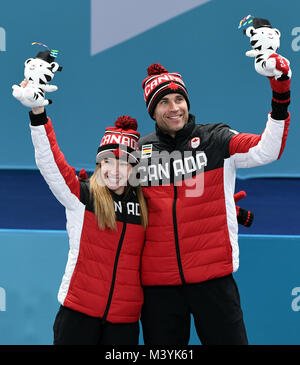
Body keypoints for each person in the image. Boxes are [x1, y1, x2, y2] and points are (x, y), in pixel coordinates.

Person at [137, 35, 291, 344]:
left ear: (187, 102)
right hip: (159, 288)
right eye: (164, 102)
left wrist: (280, 92)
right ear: (152, 112)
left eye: (178, 99)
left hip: (213, 280)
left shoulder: (215, 139)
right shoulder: (140, 152)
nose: (174, 107)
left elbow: (267, 149)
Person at [13, 73, 147, 344]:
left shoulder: (145, 207)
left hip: (124, 323)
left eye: (124, 163)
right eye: (108, 161)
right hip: (78, 316)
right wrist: (38, 114)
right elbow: (51, 163)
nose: (116, 170)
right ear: (100, 164)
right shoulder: (82, 196)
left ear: (134, 168)